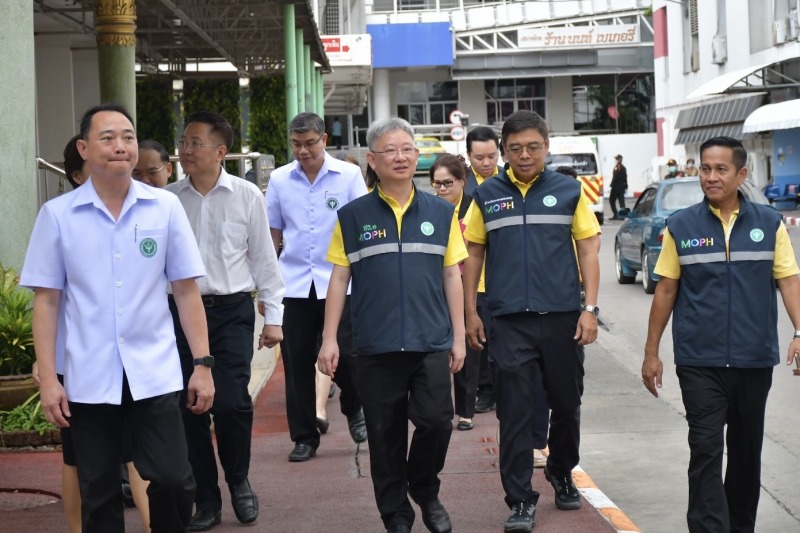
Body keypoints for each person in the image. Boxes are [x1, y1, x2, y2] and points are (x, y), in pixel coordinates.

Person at [21, 102, 214, 533]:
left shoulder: (163, 208)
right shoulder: (58, 216)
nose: (121, 146)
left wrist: (202, 364)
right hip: (89, 377)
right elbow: (47, 303)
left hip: (155, 372)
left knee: (175, 480)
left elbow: (185, 292)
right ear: (84, 149)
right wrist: (50, 379)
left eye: (128, 136)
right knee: (99, 492)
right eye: (107, 137)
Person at [642, 136, 800, 533]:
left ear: (741, 174)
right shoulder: (680, 225)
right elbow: (665, 289)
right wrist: (651, 352)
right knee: (706, 451)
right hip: (700, 362)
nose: (710, 177)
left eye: (720, 169)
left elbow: (789, 281)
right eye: (704, 169)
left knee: (746, 455)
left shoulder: (769, 224)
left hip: (753, 359)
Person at [318, 117, 467, 533]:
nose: (400, 157)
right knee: (383, 435)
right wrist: (329, 339)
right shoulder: (352, 216)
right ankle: (395, 514)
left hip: (430, 338)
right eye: (390, 150)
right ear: (373, 159)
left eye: (407, 149)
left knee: (437, 421)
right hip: (375, 343)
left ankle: (425, 488)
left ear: (417, 156)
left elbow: (452, 274)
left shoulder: (441, 212)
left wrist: (458, 336)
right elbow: (339, 277)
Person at [463, 110, 600, 533]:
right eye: (516, 148)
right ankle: (520, 499)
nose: (525, 155)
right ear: (503, 150)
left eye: (533, 147)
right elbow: (473, 254)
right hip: (508, 321)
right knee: (515, 413)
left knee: (567, 402)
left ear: (547, 147)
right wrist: (471, 312)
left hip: (562, 319)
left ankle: (561, 470)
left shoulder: (570, 191)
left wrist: (589, 310)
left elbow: (589, 251)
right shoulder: (486, 196)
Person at [166, 111, 285, 531]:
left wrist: (274, 317)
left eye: (195, 142)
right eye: (183, 141)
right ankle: (207, 498)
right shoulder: (169, 198)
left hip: (232, 310)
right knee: (191, 407)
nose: (184, 150)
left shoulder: (247, 195)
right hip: (179, 313)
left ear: (221, 151)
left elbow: (263, 259)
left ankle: (238, 479)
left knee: (233, 403)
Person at [265, 112, 368, 463]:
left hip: (341, 283)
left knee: (349, 354)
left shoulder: (349, 176)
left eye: (310, 143)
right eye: (296, 144)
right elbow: (273, 235)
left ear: (325, 140)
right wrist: (268, 289)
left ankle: (354, 405)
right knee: (296, 363)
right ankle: (305, 436)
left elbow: (361, 227)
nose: (303, 151)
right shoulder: (279, 179)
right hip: (295, 284)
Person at [429, 154, 478, 432]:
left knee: (468, 347)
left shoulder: (474, 207)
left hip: (472, 285)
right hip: (439, 285)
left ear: (462, 181)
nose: (442, 189)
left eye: (448, 183)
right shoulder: (432, 209)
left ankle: (466, 410)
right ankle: (441, 404)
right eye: (436, 184)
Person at [464, 126, 502, 415]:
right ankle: (486, 391)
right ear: (468, 156)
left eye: (491, 156)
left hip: (504, 275)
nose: (486, 163)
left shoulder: (511, 181)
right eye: (479, 158)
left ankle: (504, 389)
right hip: (474, 276)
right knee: (481, 338)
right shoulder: (460, 186)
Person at [609, 154, 627, 220]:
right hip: (622, 187)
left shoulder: (617, 167)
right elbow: (625, 178)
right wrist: (626, 186)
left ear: (619, 159)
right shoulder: (624, 168)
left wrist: (611, 185)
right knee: (621, 201)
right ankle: (622, 216)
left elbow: (615, 177)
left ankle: (616, 214)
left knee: (611, 200)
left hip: (616, 187)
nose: (615, 160)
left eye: (616, 159)